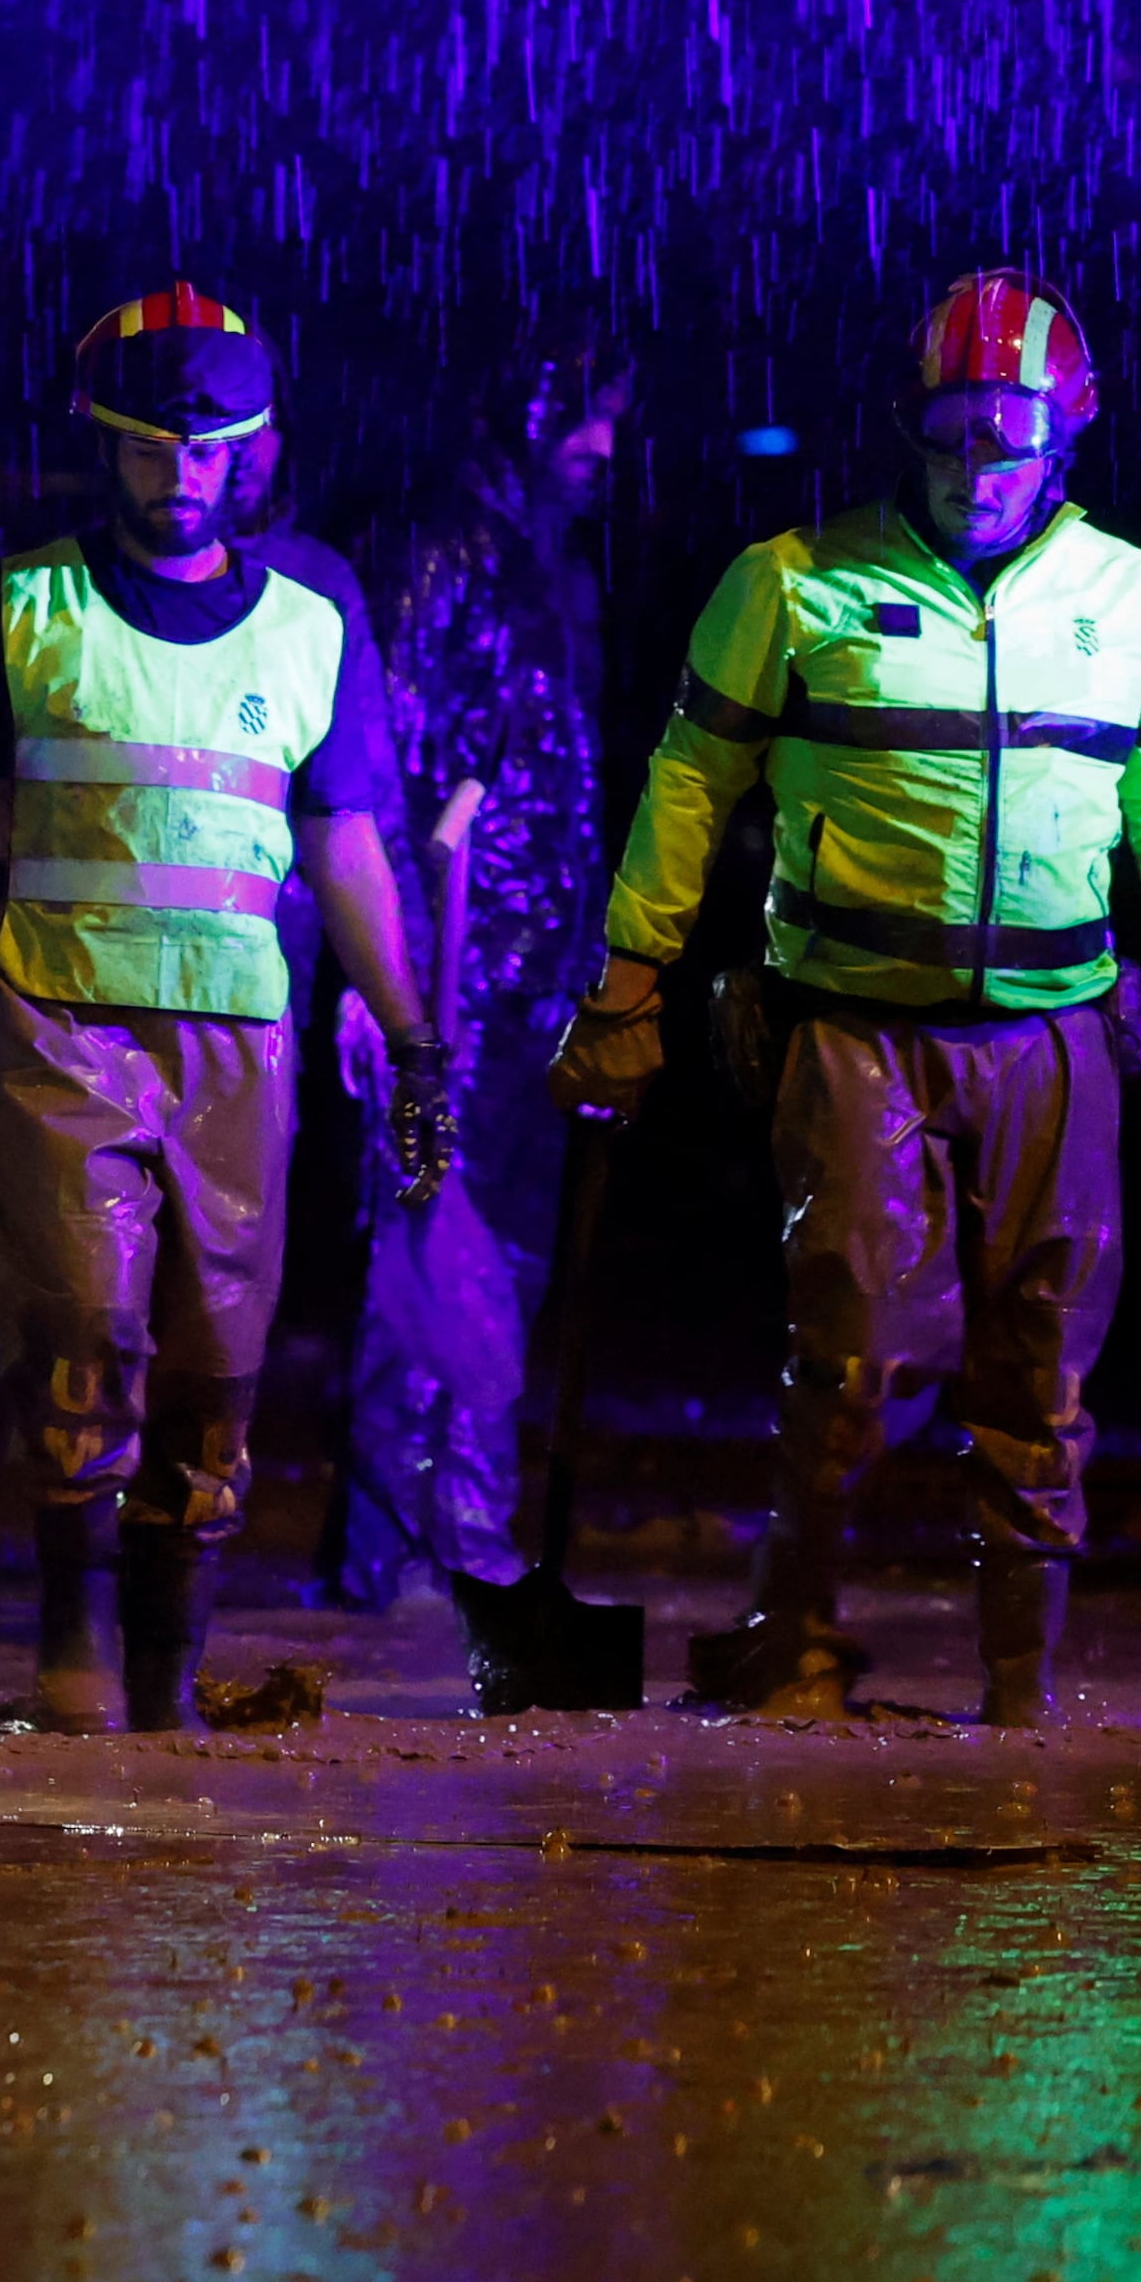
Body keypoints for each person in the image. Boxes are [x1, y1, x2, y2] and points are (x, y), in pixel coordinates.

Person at [553, 270, 1141, 1725]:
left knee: (1046, 1363)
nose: (973, 467)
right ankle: (792, 1624)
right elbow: (688, 785)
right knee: (861, 1347)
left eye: (1004, 436)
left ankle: (1023, 1687)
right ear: (909, 428)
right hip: (853, 1031)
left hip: (1058, 1035)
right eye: (949, 434)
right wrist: (631, 977)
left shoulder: (1137, 607)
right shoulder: (793, 581)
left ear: (1066, 433)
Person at [0, 282, 448, 1734]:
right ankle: (75, 1643)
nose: (179, 478)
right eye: (147, 449)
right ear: (102, 448)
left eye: (207, 452)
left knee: (218, 1352)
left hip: (237, 1034)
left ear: (251, 454)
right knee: (80, 1323)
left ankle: (167, 1674)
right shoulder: (20, 598)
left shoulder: (314, 617)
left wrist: (415, 1032)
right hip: (56, 1015)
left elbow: (346, 841)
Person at [327, 352, 636, 1608]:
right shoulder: (436, 552)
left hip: (530, 989)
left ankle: (466, 1526)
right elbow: (377, 769)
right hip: (436, 984)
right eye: (585, 420)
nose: (602, 450)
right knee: (417, 1245)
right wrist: (376, 976)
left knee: (496, 1258)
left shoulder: (553, 568)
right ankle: (395, 1544)